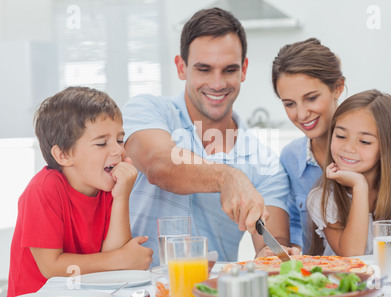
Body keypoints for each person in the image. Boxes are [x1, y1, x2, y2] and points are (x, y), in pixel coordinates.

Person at [122, 8, 299, 267]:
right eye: (204, 69)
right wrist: (226, 177)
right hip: (134, 289)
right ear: (181, 67)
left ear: (244, 70)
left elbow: (274, 241)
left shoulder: (265, 163)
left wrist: (271, 255)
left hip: (210, 295)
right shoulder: (148, 111)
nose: (217, 84)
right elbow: (159, 165)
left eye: (229, 70)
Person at [272, 38, 391, 261]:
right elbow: (295, 229)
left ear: (337, 87)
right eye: (289, 103)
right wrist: (286, 250)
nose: (301, 114)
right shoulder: (291, 158)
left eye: (311, 98)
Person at [7, 87, 153, 297]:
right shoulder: (44, 189)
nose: (118, 151)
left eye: (120, 140)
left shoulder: (109, 187)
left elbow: (117, 261)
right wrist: (120, 259)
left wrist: (122, 197)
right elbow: (52, 266)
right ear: (64, 155)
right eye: (102, 143)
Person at [306, 89, 391, 256]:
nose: (349, 148)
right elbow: (353, 255)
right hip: (346, 281)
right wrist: (359, 185)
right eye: (340, 136)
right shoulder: (323, 197)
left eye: (364, 141)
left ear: (385, 147)